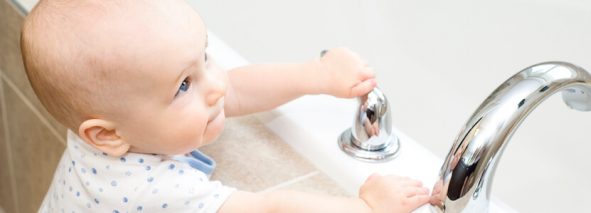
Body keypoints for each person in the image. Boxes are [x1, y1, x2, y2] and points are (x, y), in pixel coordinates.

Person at [21, 0, 432, 212]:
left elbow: (231, 90)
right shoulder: (149, 191)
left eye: (205, 56)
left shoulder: (114, 117)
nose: (214, 84)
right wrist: (363, 206)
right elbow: (266, 209)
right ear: (108, 134)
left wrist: (316, 74)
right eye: (184, 85)